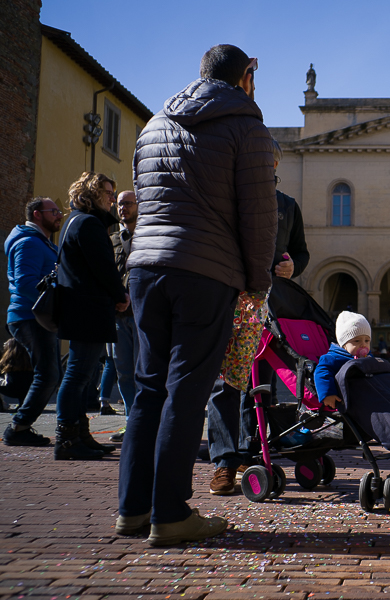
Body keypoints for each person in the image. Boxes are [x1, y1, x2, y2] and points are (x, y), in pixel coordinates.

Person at [117, 44, 277, 546]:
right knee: (187, 390)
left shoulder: (153, 122)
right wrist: (258, 281)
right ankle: (170, 513)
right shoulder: (246, 125)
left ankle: (132, 509)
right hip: (204, 270)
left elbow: (143, 200)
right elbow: (257, 213)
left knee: (148, 389)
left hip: (145, 266)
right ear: (246, 76)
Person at [205, 137, 309, 496]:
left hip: (269, 306)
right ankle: (223, 462)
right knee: (224, 382)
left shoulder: (287, 206)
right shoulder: (229, 197)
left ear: (275, 165)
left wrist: (294, 265)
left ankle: (251, 450)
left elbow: (301, 252)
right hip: (231, 299)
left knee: (259, 383)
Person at [55, 172, 127, 460]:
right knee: (77, 375)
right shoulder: (88, 224)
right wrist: (121, 295)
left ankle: (79, 434)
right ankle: (68, 439)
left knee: (79, 374)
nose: (112, 198)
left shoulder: (75, 221)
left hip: (79, 308)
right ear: (92, 193)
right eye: (108, 192)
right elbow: (104, 268)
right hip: (88, 309)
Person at [2, 197, 62, 447]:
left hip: (37, 317)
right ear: (38, 214)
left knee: (47, 374)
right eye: (54, 211)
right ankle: (18, 427)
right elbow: (26, 283)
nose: (59, 215)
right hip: (31, 317)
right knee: (48, 375)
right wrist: (52, 306)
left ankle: (21, 425)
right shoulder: (28, 242)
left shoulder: (42, 243)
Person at [108, 190, 138, 442]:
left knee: (144, 372)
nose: (123, 208)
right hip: (118, 317)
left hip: (143, 318)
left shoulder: (149, 236)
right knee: (124, 371)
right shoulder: (113, 240)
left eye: (128, 204)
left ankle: (145, 422)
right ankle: (131, 421)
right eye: (120, 204)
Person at [314, 311, 371, 410]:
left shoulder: (368, 357)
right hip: (347, 399)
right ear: (343, 344)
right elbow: (322, 373)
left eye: (367, 341)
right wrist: (328, 394)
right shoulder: (332, 358)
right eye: (356, 341)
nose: (363, 345)